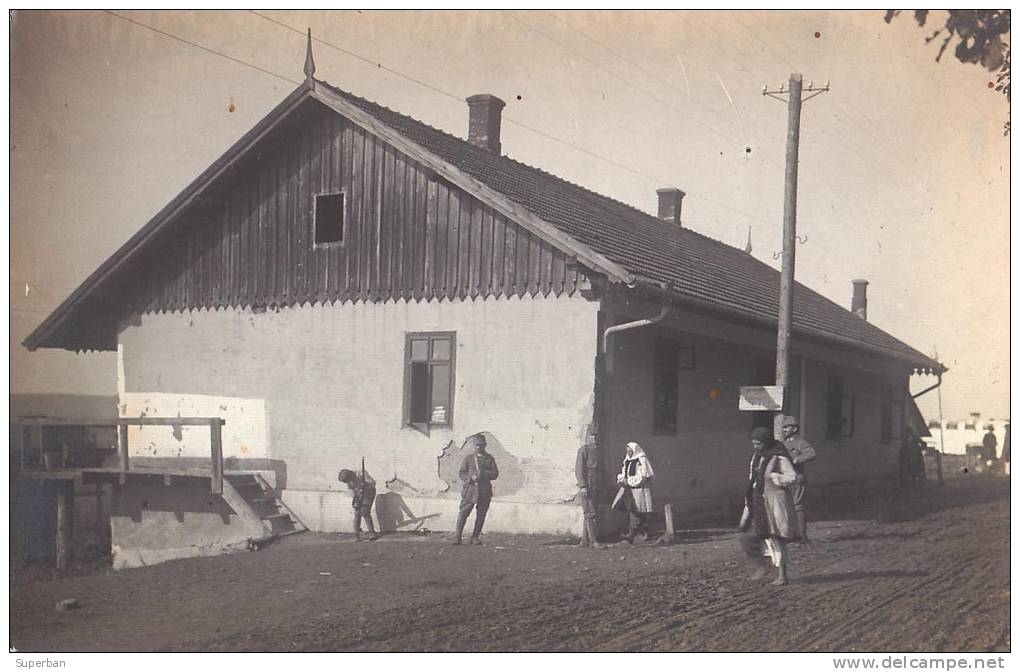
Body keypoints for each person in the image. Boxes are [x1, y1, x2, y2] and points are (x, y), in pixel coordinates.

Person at [739, 426, 800, 586]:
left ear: (766, 443)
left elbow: (792, 477)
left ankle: (782, 575)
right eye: (754, 443)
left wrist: (775, 477)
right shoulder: (756, 458)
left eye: (758, 443)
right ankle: (762, 565)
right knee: (747, 537)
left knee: (776, 537)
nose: (755, 446)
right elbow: (753, 478)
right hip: (758, 501)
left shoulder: (779, 458)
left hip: (774, 502)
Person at [453, 433, 499, 545]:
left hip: (484, 492)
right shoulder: (469, 459)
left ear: (485, 445)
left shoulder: (489, 459)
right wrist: (470, 478)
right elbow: (462, 473)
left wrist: (483, 474)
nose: (479, 447)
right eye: (477, 445)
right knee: (463, 512)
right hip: (470, 491)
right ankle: (457, 537)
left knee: (481, 514)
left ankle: (475, 537)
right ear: (473, 446)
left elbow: (495, 474)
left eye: (481, 445)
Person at [780, 415, 816, 542]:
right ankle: (791, 534)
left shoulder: (800, 442)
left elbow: (811, 453)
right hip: (785, 478)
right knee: (787, 506)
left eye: (787, 427)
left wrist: (797, 459)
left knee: (798, 506)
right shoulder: (782, 443)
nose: (784, 430)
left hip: (796, 477)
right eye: (783, 427)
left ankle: (802, 535)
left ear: (794, 429)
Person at [575, 424, 606, 549]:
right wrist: (583, 486)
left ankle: (584, 541)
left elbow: (601, 470)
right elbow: (579, 470)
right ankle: (594, 541)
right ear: (588, 437)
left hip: (596, 485)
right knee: (590, 513)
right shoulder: (584, 450)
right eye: (593, 436)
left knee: (591, 513)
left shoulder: (598, 451)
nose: (595, 438)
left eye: (597, 436)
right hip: (587, 485)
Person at [617, 441, 655, 543]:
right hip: (630, 489)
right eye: (627, 451)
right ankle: (640, 533)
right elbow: (624, 472)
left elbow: (642, 477)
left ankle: (634, 533)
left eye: (630, 451)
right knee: (633, 510)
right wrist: (622, 479)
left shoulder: (641, 460)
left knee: (638, 511)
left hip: (639, 489)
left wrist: (629, 481)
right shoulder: (627, 460)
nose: (628, 453)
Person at [338, 467, 379, 541]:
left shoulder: (362, 473)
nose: (350, 481)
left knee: (365, 512)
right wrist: (356, 499)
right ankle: (356, 535)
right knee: (357, 513)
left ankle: (372, 533)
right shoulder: (348, 480)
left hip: (369, 492)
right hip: (358, 493)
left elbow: (373, 484)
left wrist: (366, 484)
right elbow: (350, 489)